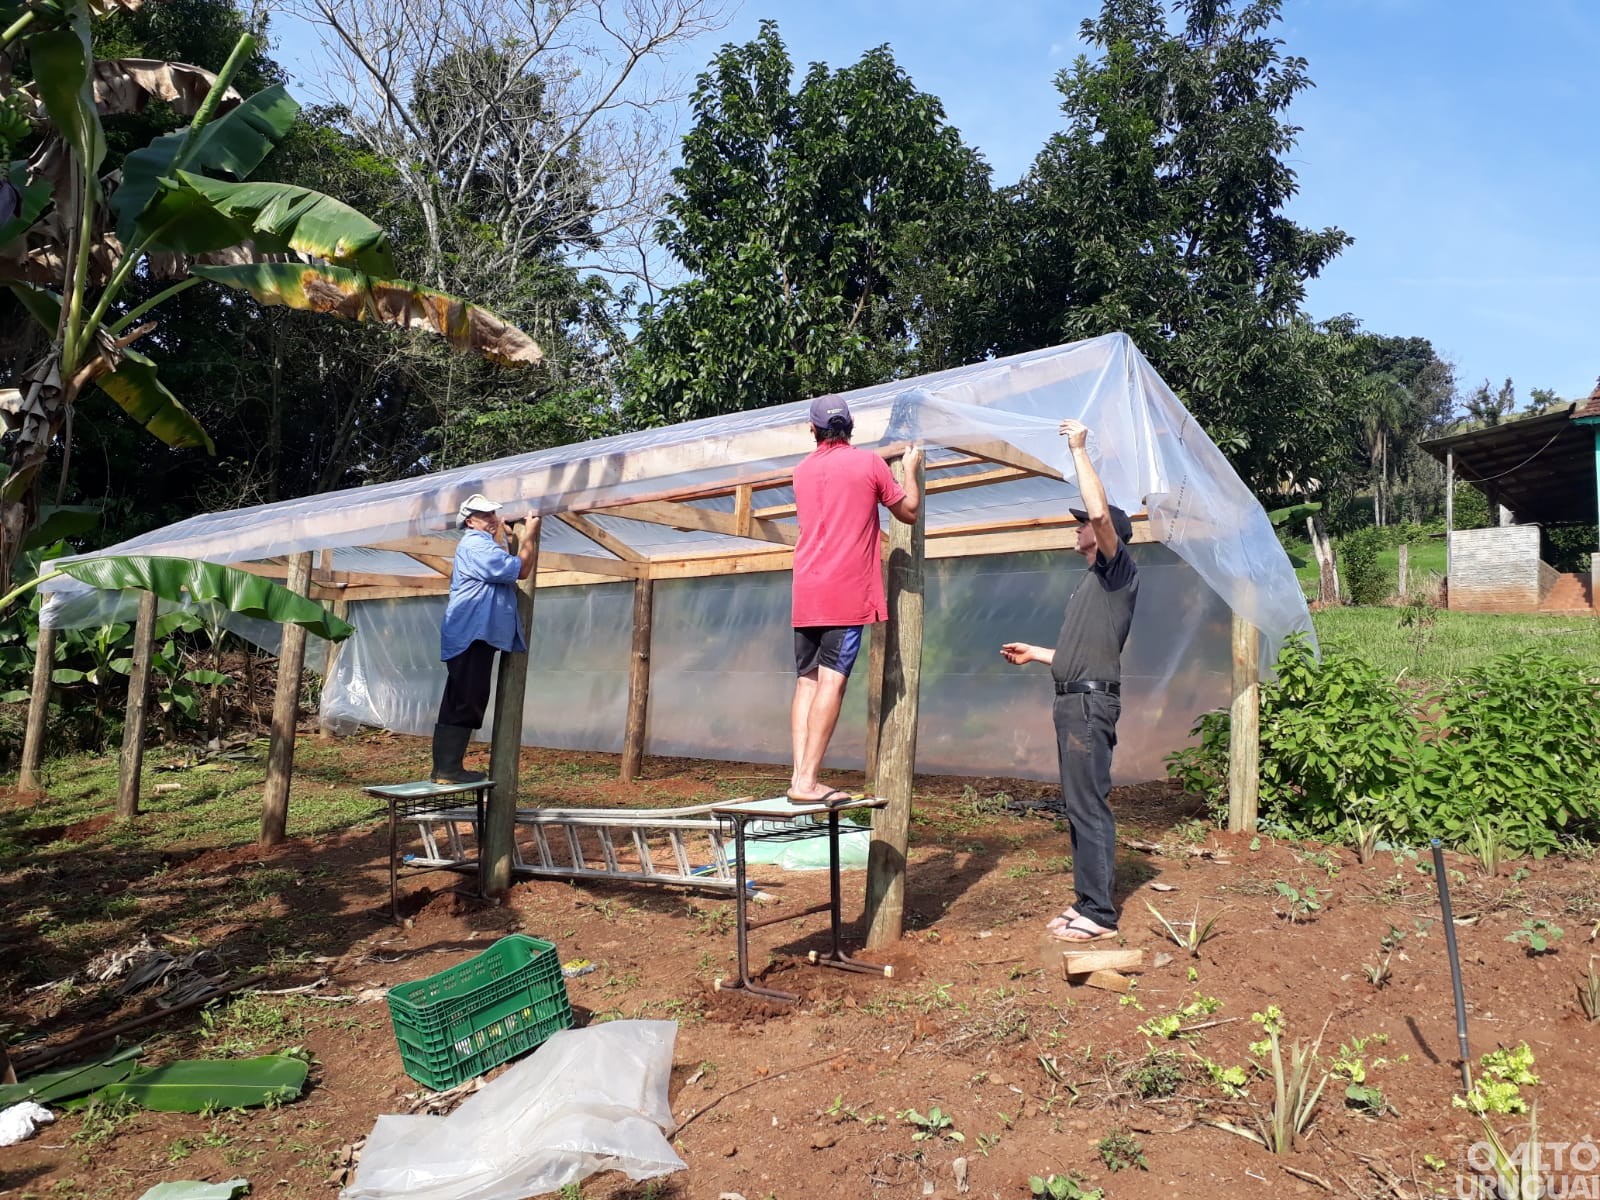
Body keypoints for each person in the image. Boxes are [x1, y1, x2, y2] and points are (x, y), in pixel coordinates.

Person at [1000, 419, 1139, 942]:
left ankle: (1100, 914)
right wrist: (1037, 654)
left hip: (1088, 707)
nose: (1078, 528)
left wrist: (1080, 449)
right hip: (1073, 701)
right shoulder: (1091, 585)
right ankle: (1086, 900)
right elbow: (1080, 655)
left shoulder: (1117, 572)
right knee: (1077, 805)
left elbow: (1100, 512)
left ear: (1104, 538)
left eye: (1082, 525)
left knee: (1088, 804)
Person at [788, 395, 921, 804]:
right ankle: (808, 783)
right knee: (833, 680)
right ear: (850, 426)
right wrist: (910, 469)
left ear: (812, 430)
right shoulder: (869, 464)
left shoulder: (801, 471)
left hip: (806, 590)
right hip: (845, 593)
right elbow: (909, 511)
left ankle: (799, 777)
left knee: (807, 680)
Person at [431, 494, 539, 784]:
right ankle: (447, 769)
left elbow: (503, 564)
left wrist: (507, 538)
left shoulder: (483, 545)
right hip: (472, 633)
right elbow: (520, 569)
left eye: (493, 514)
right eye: (484, 515)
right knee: (466, 699)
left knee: (463, 697)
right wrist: (530, 535)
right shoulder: (476, 545)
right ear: (470, 522)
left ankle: (447, 768)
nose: (492, 519)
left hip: (472, 633)